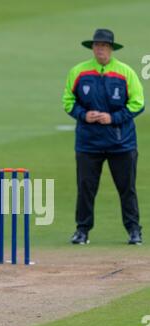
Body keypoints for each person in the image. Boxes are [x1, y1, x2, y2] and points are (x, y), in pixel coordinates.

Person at [63, 29, 145, 245]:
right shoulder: (78, 72)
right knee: (86, 189)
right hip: (88, 143)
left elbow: (138, 102)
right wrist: (84, 114)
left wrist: (113, 117)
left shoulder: (125, 72)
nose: (100, 49)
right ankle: (82, 230)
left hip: (121, 143)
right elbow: (68, 101)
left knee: (127, 189)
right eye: (97, 45)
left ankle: (134, 230)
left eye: (104, 46)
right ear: (93, 48)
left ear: (111, 48)